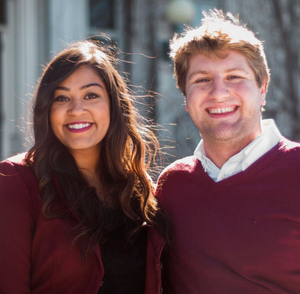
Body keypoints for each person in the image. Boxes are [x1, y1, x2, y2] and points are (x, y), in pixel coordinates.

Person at [0, 40, 168, 294]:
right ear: (47, 110)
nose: (76, 109)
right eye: (62, 97)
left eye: (91, 95)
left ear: (114, 106)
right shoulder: (14, 181)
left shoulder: (137, 189)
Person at [156, 9, 300, 294]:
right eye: (201, 80)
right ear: (185, 98)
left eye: (234, 77)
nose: (218, 92)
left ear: (262, 88)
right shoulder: (172, 185)